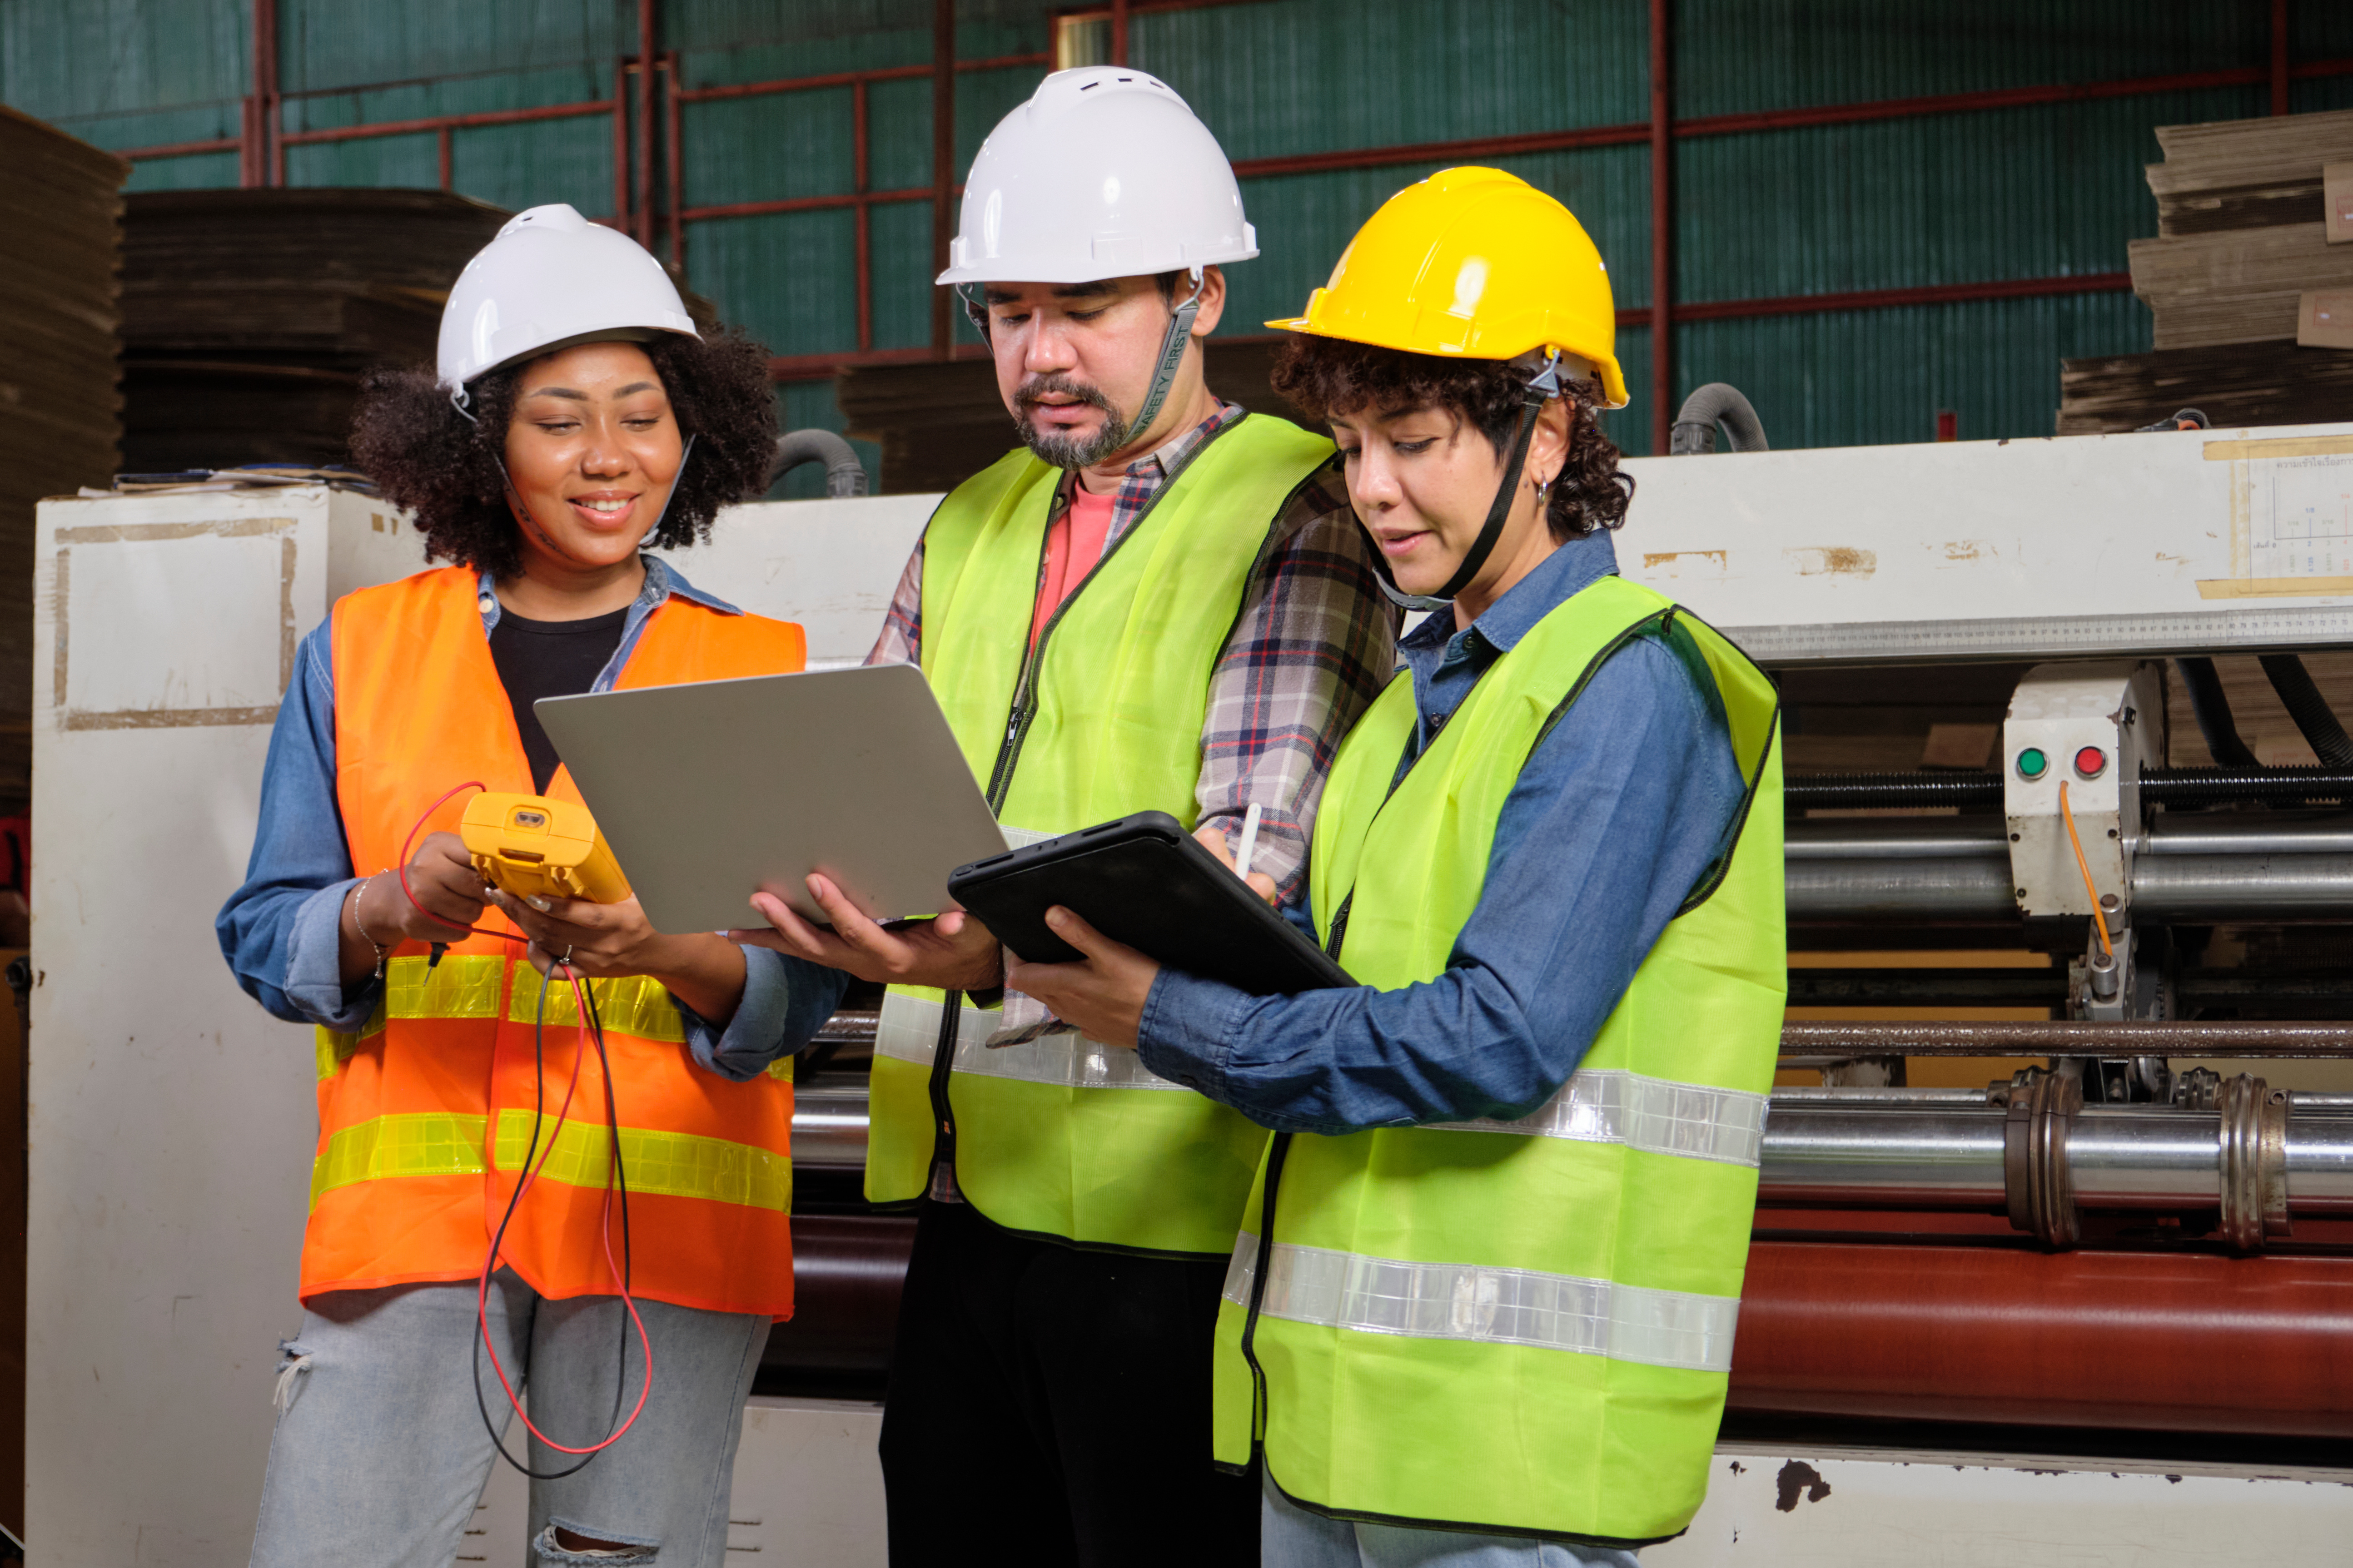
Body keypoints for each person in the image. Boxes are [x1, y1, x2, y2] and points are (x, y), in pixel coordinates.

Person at [1007, 168, 1786, 1566]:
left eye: (1414, 441)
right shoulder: (1412, 703)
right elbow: (1326, 973)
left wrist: (1167, 1014)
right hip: (1330, 1426)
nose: (1371, 489)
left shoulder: (1630, 686)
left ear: (1547, 433)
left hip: (1508, 1454)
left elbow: (1500, 1038)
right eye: (1352, 443)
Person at [734, 67, 1396, 1568]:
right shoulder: (970, 520)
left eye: (1085, 306)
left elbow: (1240, 874)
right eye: (1005, 311)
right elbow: (858, 798)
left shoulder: (1301, 508)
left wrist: (973, 955)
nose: (1040, 353)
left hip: (1179, 1236)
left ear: (1198, 294)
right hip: (970, 1220)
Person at [216, 204, 827, 1568]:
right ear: (477, 443)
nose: (610, 458)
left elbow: (804, 989)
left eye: (643, 414)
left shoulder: (759, 667)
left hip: (656, 1245)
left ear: (695, 433)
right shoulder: (360, 652)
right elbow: (265, 932)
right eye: (560, 419)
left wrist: (664, 949)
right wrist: (385, 909)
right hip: (417, 1234)